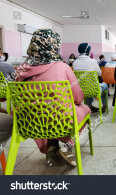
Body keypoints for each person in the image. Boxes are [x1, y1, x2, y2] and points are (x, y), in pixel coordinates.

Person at [15, 29, 91, 167]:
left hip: (29, 122)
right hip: (60, 120)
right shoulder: (62, 67)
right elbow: (78, 97)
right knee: (84, 109)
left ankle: (52, 144)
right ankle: (67, 146)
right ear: (54, 46)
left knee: (44, 110)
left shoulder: (21, 69)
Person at [73, 43, 108, 113]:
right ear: (88, 50)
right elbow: (99, 73)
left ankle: (89, 106)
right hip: (94, 89)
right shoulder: (93, 61)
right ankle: (104, 106)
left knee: (87, 83)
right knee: (105, 85)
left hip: (81, 90)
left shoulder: (75, 62)